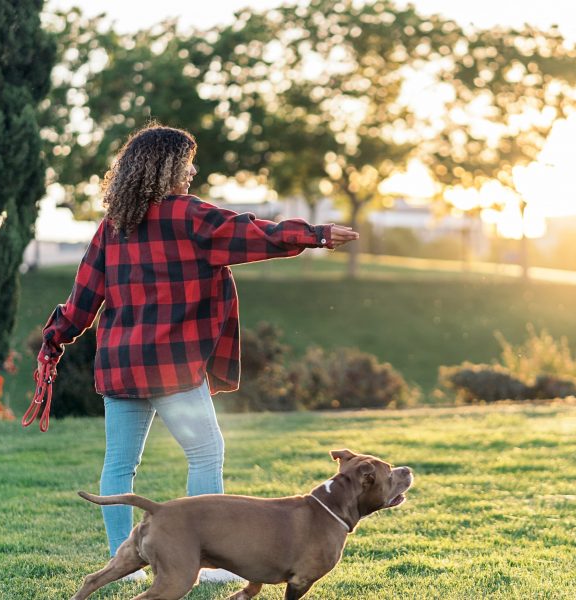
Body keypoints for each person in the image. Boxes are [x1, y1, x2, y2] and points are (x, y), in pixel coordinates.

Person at [34, 125, 358, 583]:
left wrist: (55, 339)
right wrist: (317, 234)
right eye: (187, 161)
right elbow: (253, 234)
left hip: (121, 367)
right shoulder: (189, 216)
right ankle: (212, 566)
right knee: (206, 454)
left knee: (119, 466)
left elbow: (83, 299)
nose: (192, 170)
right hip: (171, 368)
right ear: (168, 167)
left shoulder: (113, 226)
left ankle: (120, 567)